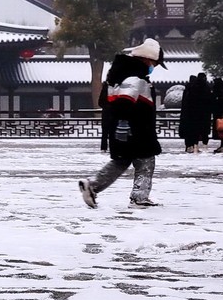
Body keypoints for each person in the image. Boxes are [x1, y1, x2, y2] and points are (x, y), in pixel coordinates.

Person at [79, 38, 165, 208]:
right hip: (136, 129)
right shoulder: (135, 78)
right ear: (147, 59)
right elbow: (125, 101)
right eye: (154, 64)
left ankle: (93, 185)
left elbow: (104, 101)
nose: (154, 68)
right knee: (146, 162)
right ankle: (139, 197)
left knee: (121, 161)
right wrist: (125, 123)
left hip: (120, 128)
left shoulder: (117, 76)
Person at [178, 74, 202, 153]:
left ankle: (188, 146)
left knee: (188, 132)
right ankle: (195, 146)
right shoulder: (197, 90)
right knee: (195, 132)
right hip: (195, 115)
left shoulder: (186, 90)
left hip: (186, 115)